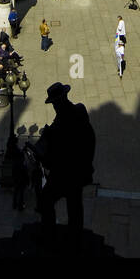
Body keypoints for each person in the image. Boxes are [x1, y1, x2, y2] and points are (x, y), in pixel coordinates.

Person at [33, 82, 96, 246]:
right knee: (75, 205)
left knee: (46, 200)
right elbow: (91, 140)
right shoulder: (79, 111)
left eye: (54, 103)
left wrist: (40, 154)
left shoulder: (58, 128)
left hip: (64, 174)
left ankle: (50, 236)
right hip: (80, 171)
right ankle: (75, 236)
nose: (54, 106)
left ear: (56, 103)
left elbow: (51, 158)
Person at [7, 134, 29, 211]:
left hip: (15, 175)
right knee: (21, 192)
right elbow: (25, 173)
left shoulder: (13, 149)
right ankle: (20, 206)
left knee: (16, 190)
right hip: (21, 178)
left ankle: (14, 204)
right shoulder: (22, 164)